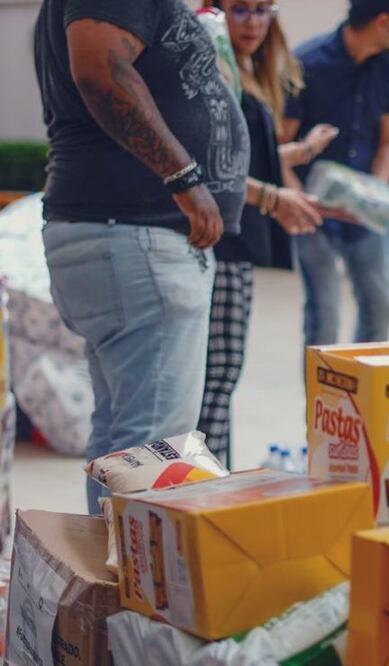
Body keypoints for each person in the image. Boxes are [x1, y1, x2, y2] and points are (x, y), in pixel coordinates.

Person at [34, 0, 249, 511]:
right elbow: (101, 68)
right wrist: (184, 179)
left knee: (125, 442)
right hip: (137, 239)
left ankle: (116, 579)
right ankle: (137, 589)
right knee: (154, 451)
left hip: (124, 239)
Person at [197, 0, 338, 465]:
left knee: (221, 375)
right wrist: (276, 198)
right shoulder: (212, 66)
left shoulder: (250, 72)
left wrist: (303, 151)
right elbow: (213, 167)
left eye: (262, 10)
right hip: (218, 240)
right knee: (214, 378)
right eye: (240, 11)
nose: (253, 22)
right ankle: (204, 484)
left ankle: (209, 477)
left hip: (237, 239)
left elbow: (251, 159)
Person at [283, 0, 389, 346]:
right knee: (324, 318)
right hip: (313, 213)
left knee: (380, 309)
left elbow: (388, 142)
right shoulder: (306, 62)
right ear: (383, 21)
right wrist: (297, 200)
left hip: (363, 213)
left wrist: (374, 194)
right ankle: (319, 402)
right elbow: (280, 147)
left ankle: (363, 399)